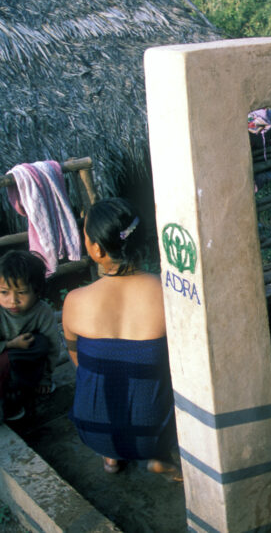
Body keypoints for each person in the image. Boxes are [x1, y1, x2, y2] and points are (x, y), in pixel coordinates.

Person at [62, 198, 180, 480]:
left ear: (97, 249)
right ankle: (157, 457)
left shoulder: (74, 301)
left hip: (92, 431)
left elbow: (77, 362)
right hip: (154, 435)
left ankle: (111, 457)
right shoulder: (168, 294)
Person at [0, 250, 61, 421]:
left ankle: (23, 391)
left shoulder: (42, 312)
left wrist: (45, 378)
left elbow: (53, 346)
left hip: (23, 362)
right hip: (4, 362)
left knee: (41, 343)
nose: (13, 300)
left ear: (37, 290)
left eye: (21, 292)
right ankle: (9, 403)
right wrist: (11, 344)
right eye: (4, 292)